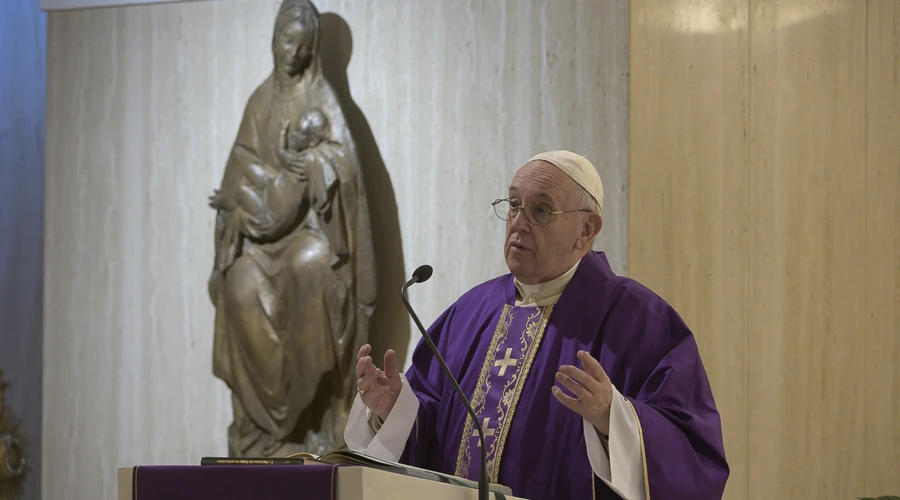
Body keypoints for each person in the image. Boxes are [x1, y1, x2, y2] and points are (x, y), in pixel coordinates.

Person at [345, 150, 729, 499]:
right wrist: (392, 410)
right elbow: (431, 438)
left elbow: (694, 455)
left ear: (587, 230)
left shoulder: (640, 322)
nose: (518, 223)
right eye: (513, 205)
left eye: (541, 210)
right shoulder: (470, 313)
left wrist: (613, 417)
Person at [209, 0, 376, 457]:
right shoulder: (260, 103)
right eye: (287, 41)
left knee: (315, 265)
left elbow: (347, 172)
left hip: (308, 234)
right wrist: (244, 203)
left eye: (303, 47)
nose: (293, 54)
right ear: (274, 38)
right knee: (239, 281)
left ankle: (315, 417)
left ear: (313, 50)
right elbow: (237, 170)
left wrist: (315, 163)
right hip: (260, 239)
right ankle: (262, 429)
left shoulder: (324, 99)